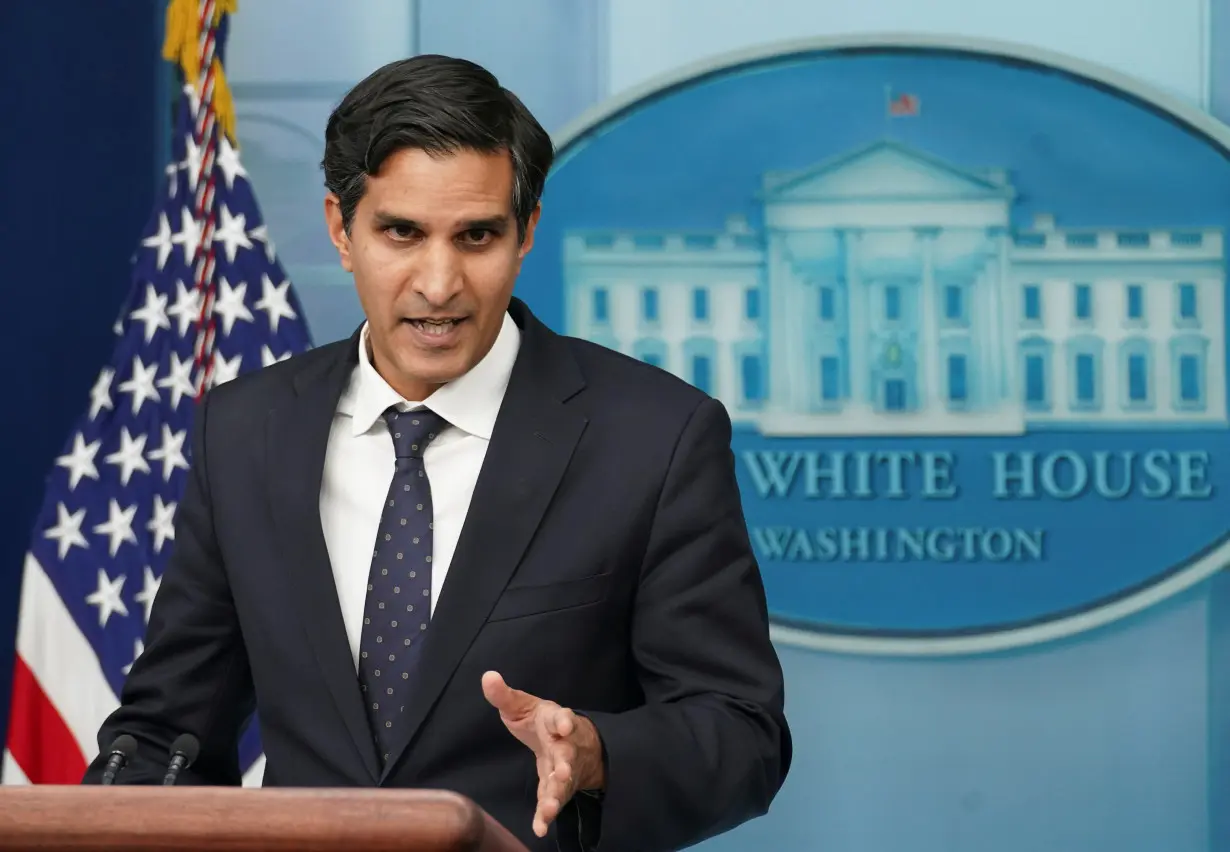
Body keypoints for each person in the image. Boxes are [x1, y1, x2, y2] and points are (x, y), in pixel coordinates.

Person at [84, 54, 791, 852]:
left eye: (477, 236)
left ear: (525, 233)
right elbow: (172, 726)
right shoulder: (246, 431)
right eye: (401, 233)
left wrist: (597, 755)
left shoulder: (655, 437)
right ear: (339, 230)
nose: (439, 282)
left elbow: (741, 738)